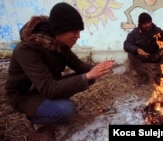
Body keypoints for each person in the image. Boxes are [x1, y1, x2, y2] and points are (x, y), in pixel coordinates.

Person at [4, 2, 114, 136]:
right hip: (25, 95)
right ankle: (34, 118)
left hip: (45, 88)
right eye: (74, 31)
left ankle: (48, 107)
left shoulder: (59, 45)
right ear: (59, 30)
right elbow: (49, 88)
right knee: (67, 109)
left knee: (88, 77)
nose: (78, 36)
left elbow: (78, 65)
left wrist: (98, 69)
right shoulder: (27, 50)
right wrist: (88, 76)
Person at [123, 12, 163, 86]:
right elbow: (126, 44)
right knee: (131, 53)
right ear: (140, 24)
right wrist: (137, 49)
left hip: (156, 55)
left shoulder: (157, 31)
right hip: (143, 56)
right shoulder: (134, 33)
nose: (147, 25)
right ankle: (143, 76)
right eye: (144, 23)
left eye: (149, 22)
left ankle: (160, 76)